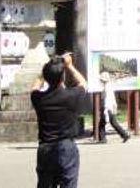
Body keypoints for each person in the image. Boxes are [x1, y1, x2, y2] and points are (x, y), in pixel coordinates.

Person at [31, 53, 88, 188]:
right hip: (66, 147)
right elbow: (83, 83)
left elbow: (34, 87)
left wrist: (46, 70)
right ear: (62, 77)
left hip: (45, 149)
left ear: (46, 77)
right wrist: (69, 65)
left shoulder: (39, 99)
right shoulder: (71, 96)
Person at [98, 71, 130, 143]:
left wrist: (105, 110)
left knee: (101, 124)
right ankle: (124, 135)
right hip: (110, 108)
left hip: (107, 108)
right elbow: (112, 99)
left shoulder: (106, 88)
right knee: (114, 123)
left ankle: (103, 139)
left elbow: (107, 100)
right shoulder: (109, 86)